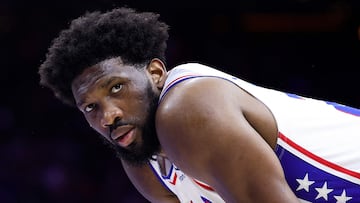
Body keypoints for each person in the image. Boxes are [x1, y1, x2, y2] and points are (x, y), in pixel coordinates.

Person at [38, 7, 360, 203]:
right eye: (90, 108)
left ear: (155, 73)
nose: (109, 116)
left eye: (117, 87)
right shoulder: (141, 159)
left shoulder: (186, 109)